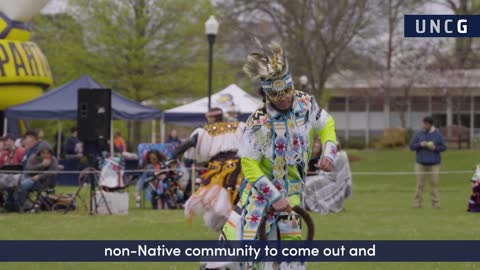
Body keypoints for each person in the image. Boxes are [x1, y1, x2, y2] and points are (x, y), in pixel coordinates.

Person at [409, 116, 446, 208]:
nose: (424, 125)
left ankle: (436, 204)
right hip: (420, 163)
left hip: (434, 164)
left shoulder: (437, 134)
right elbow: (411, 146)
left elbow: (443, 147)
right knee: (419, 185)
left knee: (434, 184)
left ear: (430, 124)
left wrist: (435, 148)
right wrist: (420, 144)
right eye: (423, 123)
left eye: (426, 124)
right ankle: (417, 204)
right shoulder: (418, 133)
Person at [16, 144, 58, 212]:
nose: (46, 155)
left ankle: (20, 206)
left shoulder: (53, 160)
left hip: (41, 182)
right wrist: (42, 165)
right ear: (39, 153)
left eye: (48, 153)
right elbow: (28, 169)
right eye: (43, 153)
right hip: (27, 176)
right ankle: (18, 204)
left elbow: (52, 172)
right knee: (18, 183)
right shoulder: (33, 157)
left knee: (23, 185)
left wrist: (39, 176)